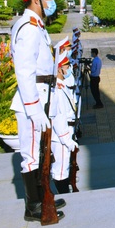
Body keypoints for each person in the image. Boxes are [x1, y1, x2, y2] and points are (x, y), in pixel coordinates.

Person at [9, 0, 65, 222]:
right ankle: (33, 206)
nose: (52, 2)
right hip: (33, 101)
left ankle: (44, 196)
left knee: (41, 153)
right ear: (36, 0)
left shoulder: (36, 26)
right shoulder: (29, 29)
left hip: (42, 96)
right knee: (32, 155)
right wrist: (33, 109)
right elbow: (24, 70)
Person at [50, 51, 78, 194]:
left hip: (67, 131)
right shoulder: (57, 90)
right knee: (60, 170)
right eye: (67, 66)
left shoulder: (62, 86)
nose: (69, 68)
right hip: (61, 136)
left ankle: (65, 190)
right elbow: (59, 118)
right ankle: (63, 195)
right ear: (60, 68)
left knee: (65, 167)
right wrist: (66, 140)